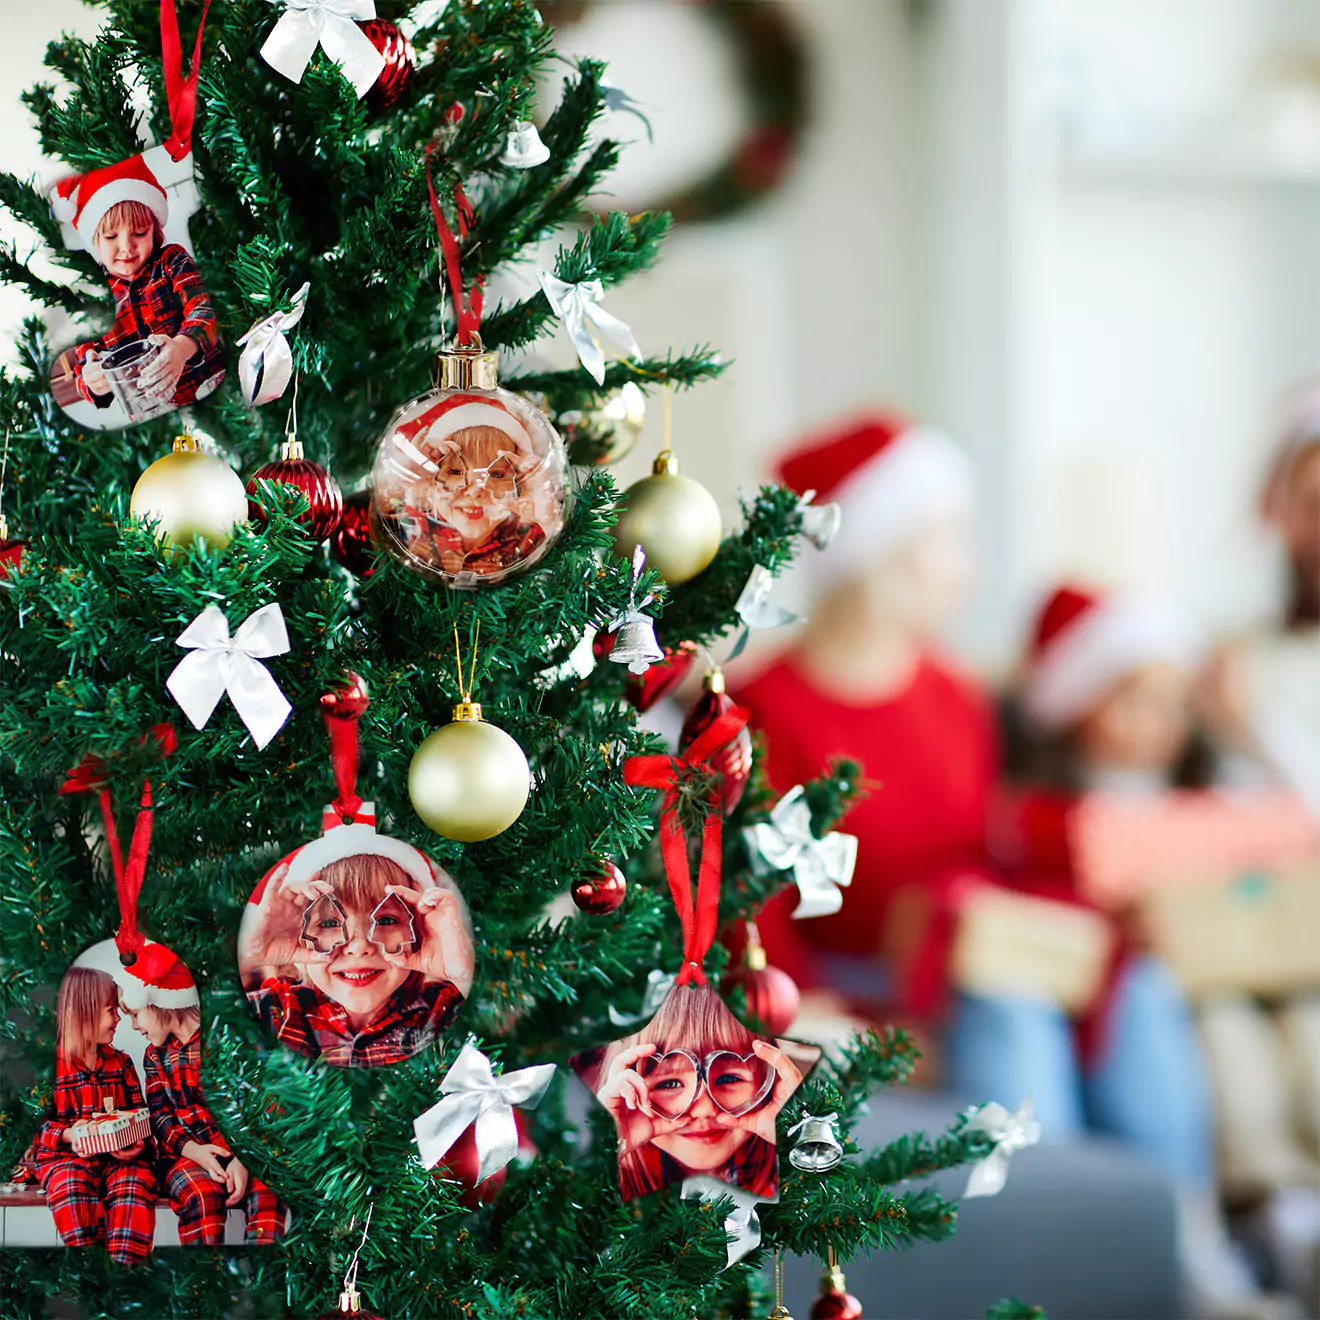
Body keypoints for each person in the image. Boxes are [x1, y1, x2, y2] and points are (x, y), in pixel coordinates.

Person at [992, 583, 1296, 1320]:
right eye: (1136, 700)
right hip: (1152, 993)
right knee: (1216, 1044)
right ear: (1078, 705)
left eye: (1176, 702)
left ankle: (1281, 1215)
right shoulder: (1042, 814)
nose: (1161, 723)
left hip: (1248, 975)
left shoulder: (1212, 787)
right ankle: (1239, 1223)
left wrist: (1240, 723)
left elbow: (1295, 825)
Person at [734, 412, 991, 1011]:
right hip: (832, 996)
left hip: (958, 974)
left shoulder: (959, 695)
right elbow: (750, 899)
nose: (966, 567)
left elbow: (980, 856)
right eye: (946, 537)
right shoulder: (762, 708)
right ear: (879, 552)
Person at [1197, 384, 1320, 1301]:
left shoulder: (1249, 696)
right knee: (1226, 1039)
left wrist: (1255, 737)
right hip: (1251, 920)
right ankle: (1275, 1222)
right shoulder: (1238, 653)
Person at [239, 827, 474, 1068]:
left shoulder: (442, 1011)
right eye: (329, 923)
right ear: (300, 937)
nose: (359, 947)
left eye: (385, 920)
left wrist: (461, 973)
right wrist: (251, 952)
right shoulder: (276, 1011)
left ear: (418, 932)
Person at [119, 942, 284, 1246]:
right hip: (185, 1156)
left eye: (135, 1015)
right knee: (201, 1197)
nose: (133, 1026)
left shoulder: (227, 1039)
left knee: (268, 1192)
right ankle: (204, 1286)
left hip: (243, 1152)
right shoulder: (154, 1055)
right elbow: (161, 1119)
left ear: (158, 1004)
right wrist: (193, 1150)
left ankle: (265, 1285)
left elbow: (261, 1107)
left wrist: (244, 1159)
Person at [577, 983, 804, 1202]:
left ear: (768, 1084)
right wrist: (612, 1142)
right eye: (669, 1084)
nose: (705, 1110)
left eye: (728, 1078)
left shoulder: (793, 1185)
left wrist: (787, 1128)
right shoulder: (610, 1193)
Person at [50, 154, 224, 412]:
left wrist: (182, 347)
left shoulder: (171, 261)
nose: (126, 247)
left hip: (213, 397)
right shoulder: (94, 294)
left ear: (155, 229)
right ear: (95, 241)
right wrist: (92, 381)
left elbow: (205, 307)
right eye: (111, 236)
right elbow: (84, 363)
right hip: (155, 419)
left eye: (139, 233)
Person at [33, 967, 157, 1265]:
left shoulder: (122, 1063)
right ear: (82, 1013)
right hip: (67, 1160)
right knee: (71, 1191)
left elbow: (139, 1114)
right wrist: (68, 1134)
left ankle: (125, 1276)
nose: (118, 1018)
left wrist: (137, 1141)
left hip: (119, 1160)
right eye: (110, 1010)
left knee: (136, 1189)